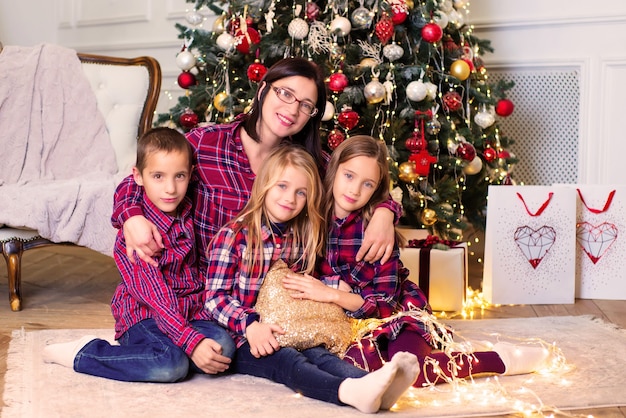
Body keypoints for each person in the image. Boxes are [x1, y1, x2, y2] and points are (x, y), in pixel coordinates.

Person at [281, 135, 552, 387]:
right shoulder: (310, 221)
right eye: (349, 176)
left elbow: (384, 306)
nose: (354, 190)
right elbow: (300, 279)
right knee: (357, 373)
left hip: (399, 315)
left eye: (368, 184)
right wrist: (332, 290)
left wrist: (333, 294)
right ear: (333, 170)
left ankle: (499, 359)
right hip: (346, 327)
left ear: (377, 189)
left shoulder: (376, 231)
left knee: (414, 372)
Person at [111, 57, 400, 277]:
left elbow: (362, 183)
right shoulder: (206, 143)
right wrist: (131, 218)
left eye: (305, 105)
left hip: (276, 297)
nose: (292, 110)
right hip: (208, 289)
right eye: (285, 94)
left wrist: (386, 213)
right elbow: (141, 178)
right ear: (263, 90)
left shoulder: (311, 163)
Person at [204, 144, 420, 414]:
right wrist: (249, 325)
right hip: (244, 338)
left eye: (301, 192)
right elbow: (213, 299)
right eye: (282, 186)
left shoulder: (298, 236)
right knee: (288, 361)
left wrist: (332, 288)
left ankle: (371, 384)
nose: (290, 199)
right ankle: (346, 392)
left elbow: (298, 280)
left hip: (288, 326)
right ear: (264, 185)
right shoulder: (234, 236)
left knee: (318, 352)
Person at [43, 127, 235, 382]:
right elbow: (155, 297)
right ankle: (84, 353)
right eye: (158, 176)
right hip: (145, 314)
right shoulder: (136, 236)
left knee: (224, 347)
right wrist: (191, 342)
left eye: (179, 176)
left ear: (190, 175)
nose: (170, 188)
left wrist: (197, 340)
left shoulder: (188, 209)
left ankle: (170, 349)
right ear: (138, 176)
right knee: (170, 365)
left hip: (189, 310)